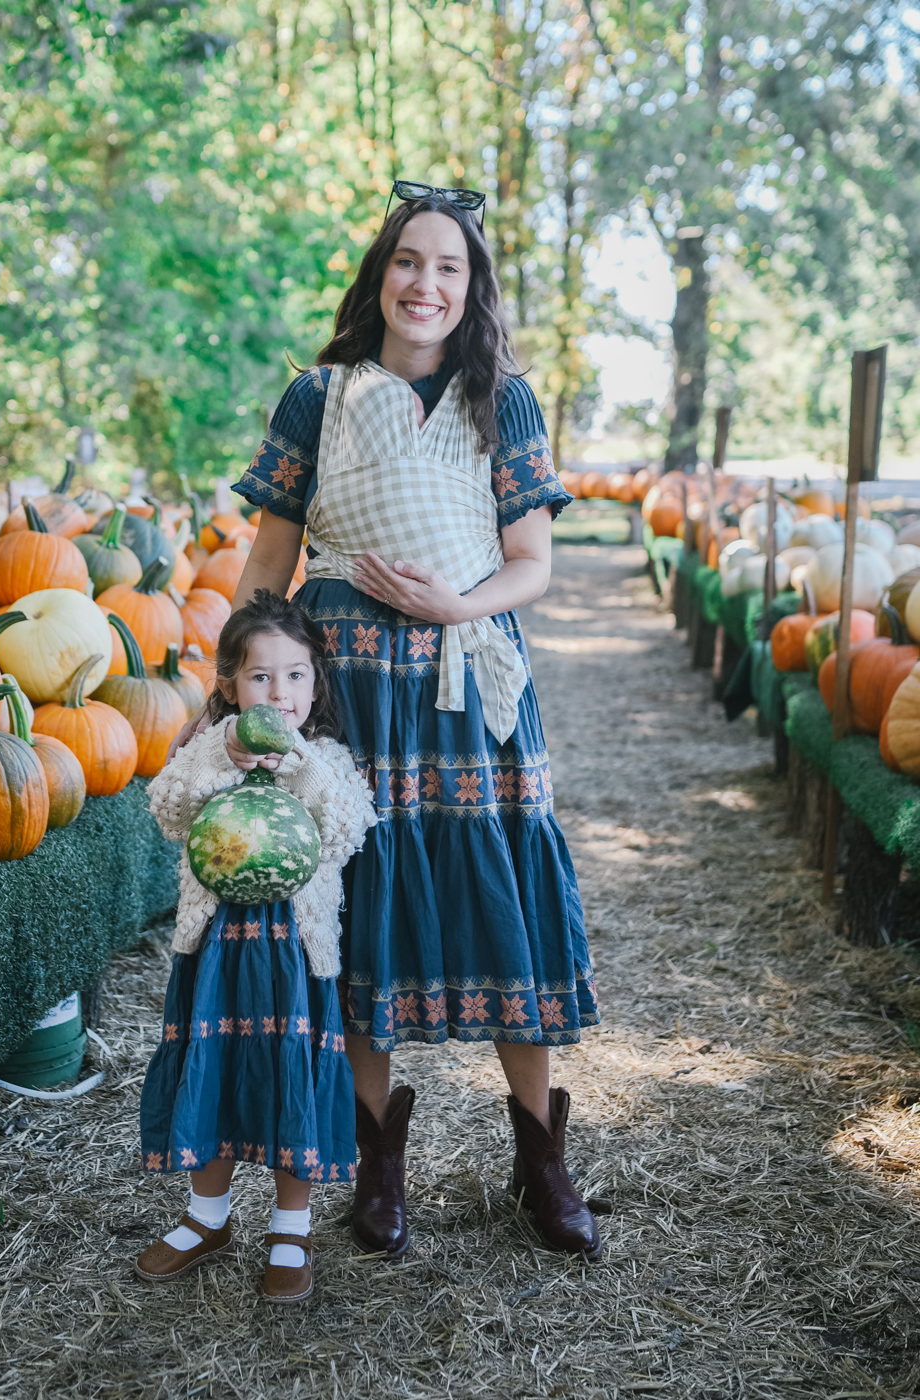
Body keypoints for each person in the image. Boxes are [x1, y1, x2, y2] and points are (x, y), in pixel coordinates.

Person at [227, 185, 601, 1260]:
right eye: (407, 261)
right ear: (378, 275)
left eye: (448, 267)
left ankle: (539, 1156)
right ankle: (375, 1159)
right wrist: (245, 687)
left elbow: (531, 560)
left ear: (471, 288)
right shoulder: (319, 396)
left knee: (501, 895)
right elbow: (268, 560)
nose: (424, 283)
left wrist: (455, 602)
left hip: (467, 676)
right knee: (359, 896)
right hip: (348, 681)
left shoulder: (502, 400)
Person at [136, 590, 376, 1303]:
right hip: (218, 951)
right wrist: (225, 758)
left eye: (296, 675)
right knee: (214, 1070)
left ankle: (290, 1228)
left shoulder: (325, 757)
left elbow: (346, 830)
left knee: (289, 1081)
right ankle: (206, 1218)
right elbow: (170, 811)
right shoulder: (209, 747)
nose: (281, 691)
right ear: (230, 685)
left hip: (295, 957)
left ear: (315, 682)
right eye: (261, 677)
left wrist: (294, 761)